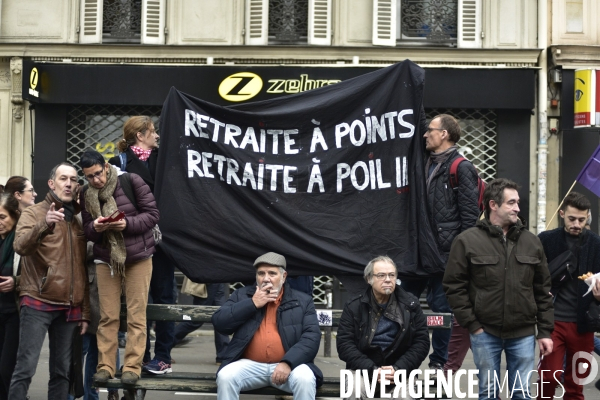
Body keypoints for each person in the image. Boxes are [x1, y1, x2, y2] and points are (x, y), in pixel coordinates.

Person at [443, 178, 554, 400]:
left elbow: (543, 290)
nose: (518, 208)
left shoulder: (531, 242)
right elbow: (454, 286)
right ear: (493, 205)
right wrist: (472, 325)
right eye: (511, 203)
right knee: (488, 393)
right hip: (484, 332)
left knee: (522, 393)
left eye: (518, 203)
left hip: (523, 333)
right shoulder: (466, 241)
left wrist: (544, 331)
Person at [400, 114, 480, 371]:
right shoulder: (424, 161)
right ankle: (404, 360)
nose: (425, 135)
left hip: (446, 256)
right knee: (402, 303)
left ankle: (439, 364)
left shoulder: (461, 167)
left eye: (430, 130)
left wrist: (461, 258)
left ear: (444, 134)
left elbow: (469, 218)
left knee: (443, 311)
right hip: (418, 251)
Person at [9, 162, 90, 400]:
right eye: (63, 178)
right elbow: (20, 246)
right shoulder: (32, 213)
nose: (68, 183)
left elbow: (82, 267)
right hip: (37, 301)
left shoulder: (77, 219)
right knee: (25, 369)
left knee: (62, 372)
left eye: (73, 179)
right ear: (51, 183)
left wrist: (84, 310)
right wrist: (45, 223)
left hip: (69, 307)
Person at [79, 150, 159, 386]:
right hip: (106, 258)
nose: (95, 180)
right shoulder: (86, 194)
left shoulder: (131, 180)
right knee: (108, 316)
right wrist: (95, 226)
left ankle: (132, 368)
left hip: (138, 257)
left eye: (97, 173)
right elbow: (86, 231)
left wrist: (126, 224)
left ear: (105, 166)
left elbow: (153, 214)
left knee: (136, 316)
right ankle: (106, 366)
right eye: (89, 177)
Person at [108, 116, 175, 374]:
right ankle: (140, 356)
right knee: (139, 303)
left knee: (164, 297)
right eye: (153, 131)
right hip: (134, 242)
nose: (157, 136)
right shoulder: (117, 164)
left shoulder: (165, 159)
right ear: (140, 135)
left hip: (162, 242)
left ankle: (163, 357)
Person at [211, 252, 322, 399]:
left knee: (305, 379)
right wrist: (252, 304)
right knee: (226, 376)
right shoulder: (242, 295)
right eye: (261, 273)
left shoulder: (302, 300)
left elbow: (311, 338)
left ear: (283, 276)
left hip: (289, 365)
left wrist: (288, 362)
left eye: (272, 273)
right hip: (250, 365)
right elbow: (220, 323)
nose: (266, 278)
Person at [337, 255, 430, 400]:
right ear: (369, 279)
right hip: (363, 371)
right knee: (353, 392)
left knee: (406, 396)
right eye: (381, 275)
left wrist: (398, 369)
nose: (387, 279)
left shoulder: (411, 304)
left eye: (391, 275)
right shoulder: (354, 306)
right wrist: (372, 369)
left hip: (401, 371)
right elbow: (344, 345)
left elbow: (422, 343)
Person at [536, 192, 600, 400]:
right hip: (553, 321)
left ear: (588, 217)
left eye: (582, 220)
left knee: (576, 384)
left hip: (584, 322)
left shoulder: (595, 244)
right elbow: (532, 275)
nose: (576, 224)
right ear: (562, 214)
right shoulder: (546, 240)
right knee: (549, 377)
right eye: (572, 218)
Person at [173, 281, 230, 364]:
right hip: (209, 276)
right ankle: (165, 346)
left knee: (220, 317)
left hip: (217, 276)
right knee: (197, 319)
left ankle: (223, 356)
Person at [0, 193, 21, 400]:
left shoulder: (20, 241)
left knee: (7, 370)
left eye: (2, 217)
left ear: (14, 216)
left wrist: (16, 282)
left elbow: (35, 276)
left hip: (14, 313)